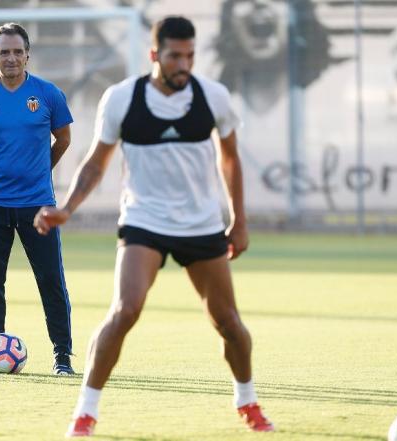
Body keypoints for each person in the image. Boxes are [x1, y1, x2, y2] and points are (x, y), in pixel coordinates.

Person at [34, 16, 274, 436]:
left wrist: (239, 221)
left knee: (228, 322)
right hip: (144, 220)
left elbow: (231, 158)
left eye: (190, 56)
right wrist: (67, 208)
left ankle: (247, 402)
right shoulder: (122, 98)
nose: (184, 64)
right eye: (175, 56)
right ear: (154, 56)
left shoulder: (213, 96)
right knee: (125, 310)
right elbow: (95, 163)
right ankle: (85, 413)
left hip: (201, 225)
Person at [0, 23, 75, 375]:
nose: (11, 58)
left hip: (37, 203)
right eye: (3, 52)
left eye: (17, 51)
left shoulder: (48, 94)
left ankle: (62, 356)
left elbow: (63, 140)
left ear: (27, 54)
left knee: (50, 279)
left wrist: (40, 170)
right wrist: (1, 169)